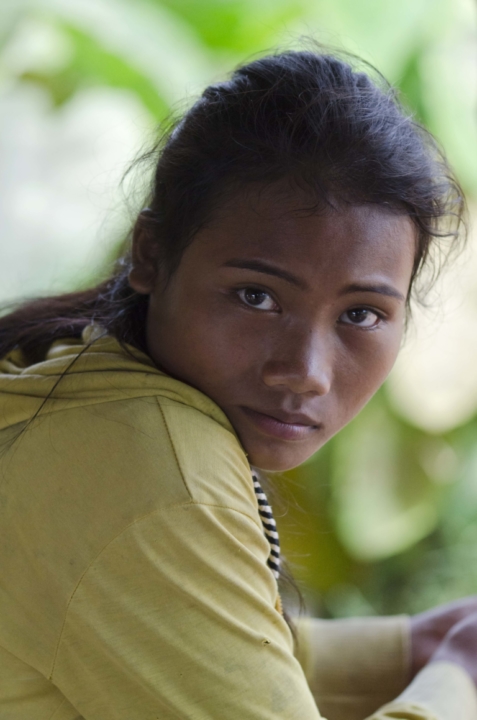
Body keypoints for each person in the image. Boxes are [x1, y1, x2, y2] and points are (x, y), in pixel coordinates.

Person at [0, 47, 476, 720]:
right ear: (150, 254)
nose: (304, 372)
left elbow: (180, 640)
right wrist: (457, 681)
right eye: (256, 296)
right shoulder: (147, 465)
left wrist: (418, 648)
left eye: (361, 315)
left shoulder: (77, 371)